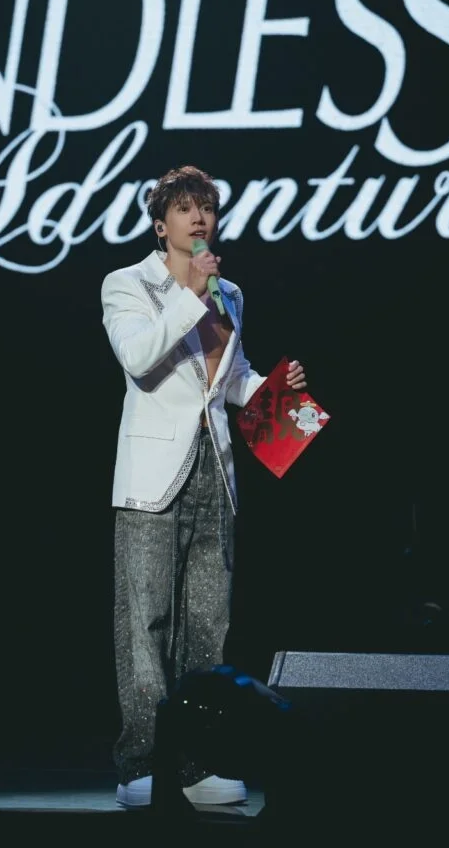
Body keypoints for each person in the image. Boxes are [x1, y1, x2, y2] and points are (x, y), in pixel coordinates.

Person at [101, 165, 307, 807]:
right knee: (147, 622)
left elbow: (229, 379)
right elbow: (139, 359)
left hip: (215, 471)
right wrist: (189, 292)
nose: (198, 218)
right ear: (161, 225)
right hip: (152, 475)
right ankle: (141, 763)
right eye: (184, 209)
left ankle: (196, 765)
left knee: (208, 625)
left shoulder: (230, 292)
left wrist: (276, 391)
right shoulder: (127, 283)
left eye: (206, 208)